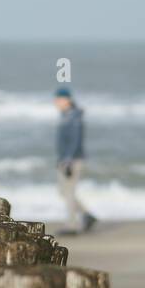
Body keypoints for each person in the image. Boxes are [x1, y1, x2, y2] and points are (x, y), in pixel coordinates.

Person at [54, 87, 96, 235]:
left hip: (72, 160)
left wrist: (68, 160)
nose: (56, 102)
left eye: (59, 99)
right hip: (64, 159)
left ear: (68, 100)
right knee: (63, 192)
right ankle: (87, 215)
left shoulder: (74, 117)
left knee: (69, 192)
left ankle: (72, 225)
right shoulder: (65, 115)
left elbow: (75, 141)